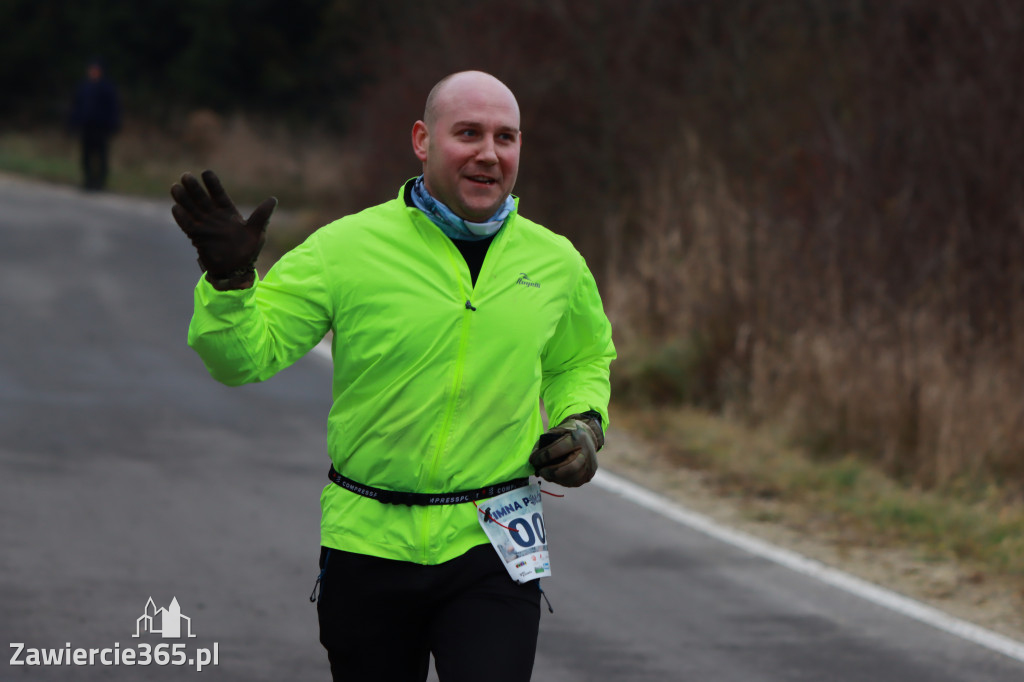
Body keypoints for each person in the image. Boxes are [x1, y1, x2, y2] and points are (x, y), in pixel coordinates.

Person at [170, 70, 615, 682]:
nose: (489, 153)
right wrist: (228, 284)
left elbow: (581, 359)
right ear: (422, 141)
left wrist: (583, 421)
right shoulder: (345, 249)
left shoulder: (556, 262)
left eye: (505, 138)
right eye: (468, 133)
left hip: (494, 548)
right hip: (367, 545)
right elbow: (242, 359)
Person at [68, 58, 121, 191]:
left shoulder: (107, 88)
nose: (93, 72)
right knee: (86, 155)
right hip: (86, 126)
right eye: (91, 70)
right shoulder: (84, 87)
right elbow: (76, 106)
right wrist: (73, 123)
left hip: (101, 128)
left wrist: (113, 125)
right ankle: (88, 180)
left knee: (101, 156)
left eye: (96, 70)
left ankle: (100, 182)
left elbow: (114, 108)